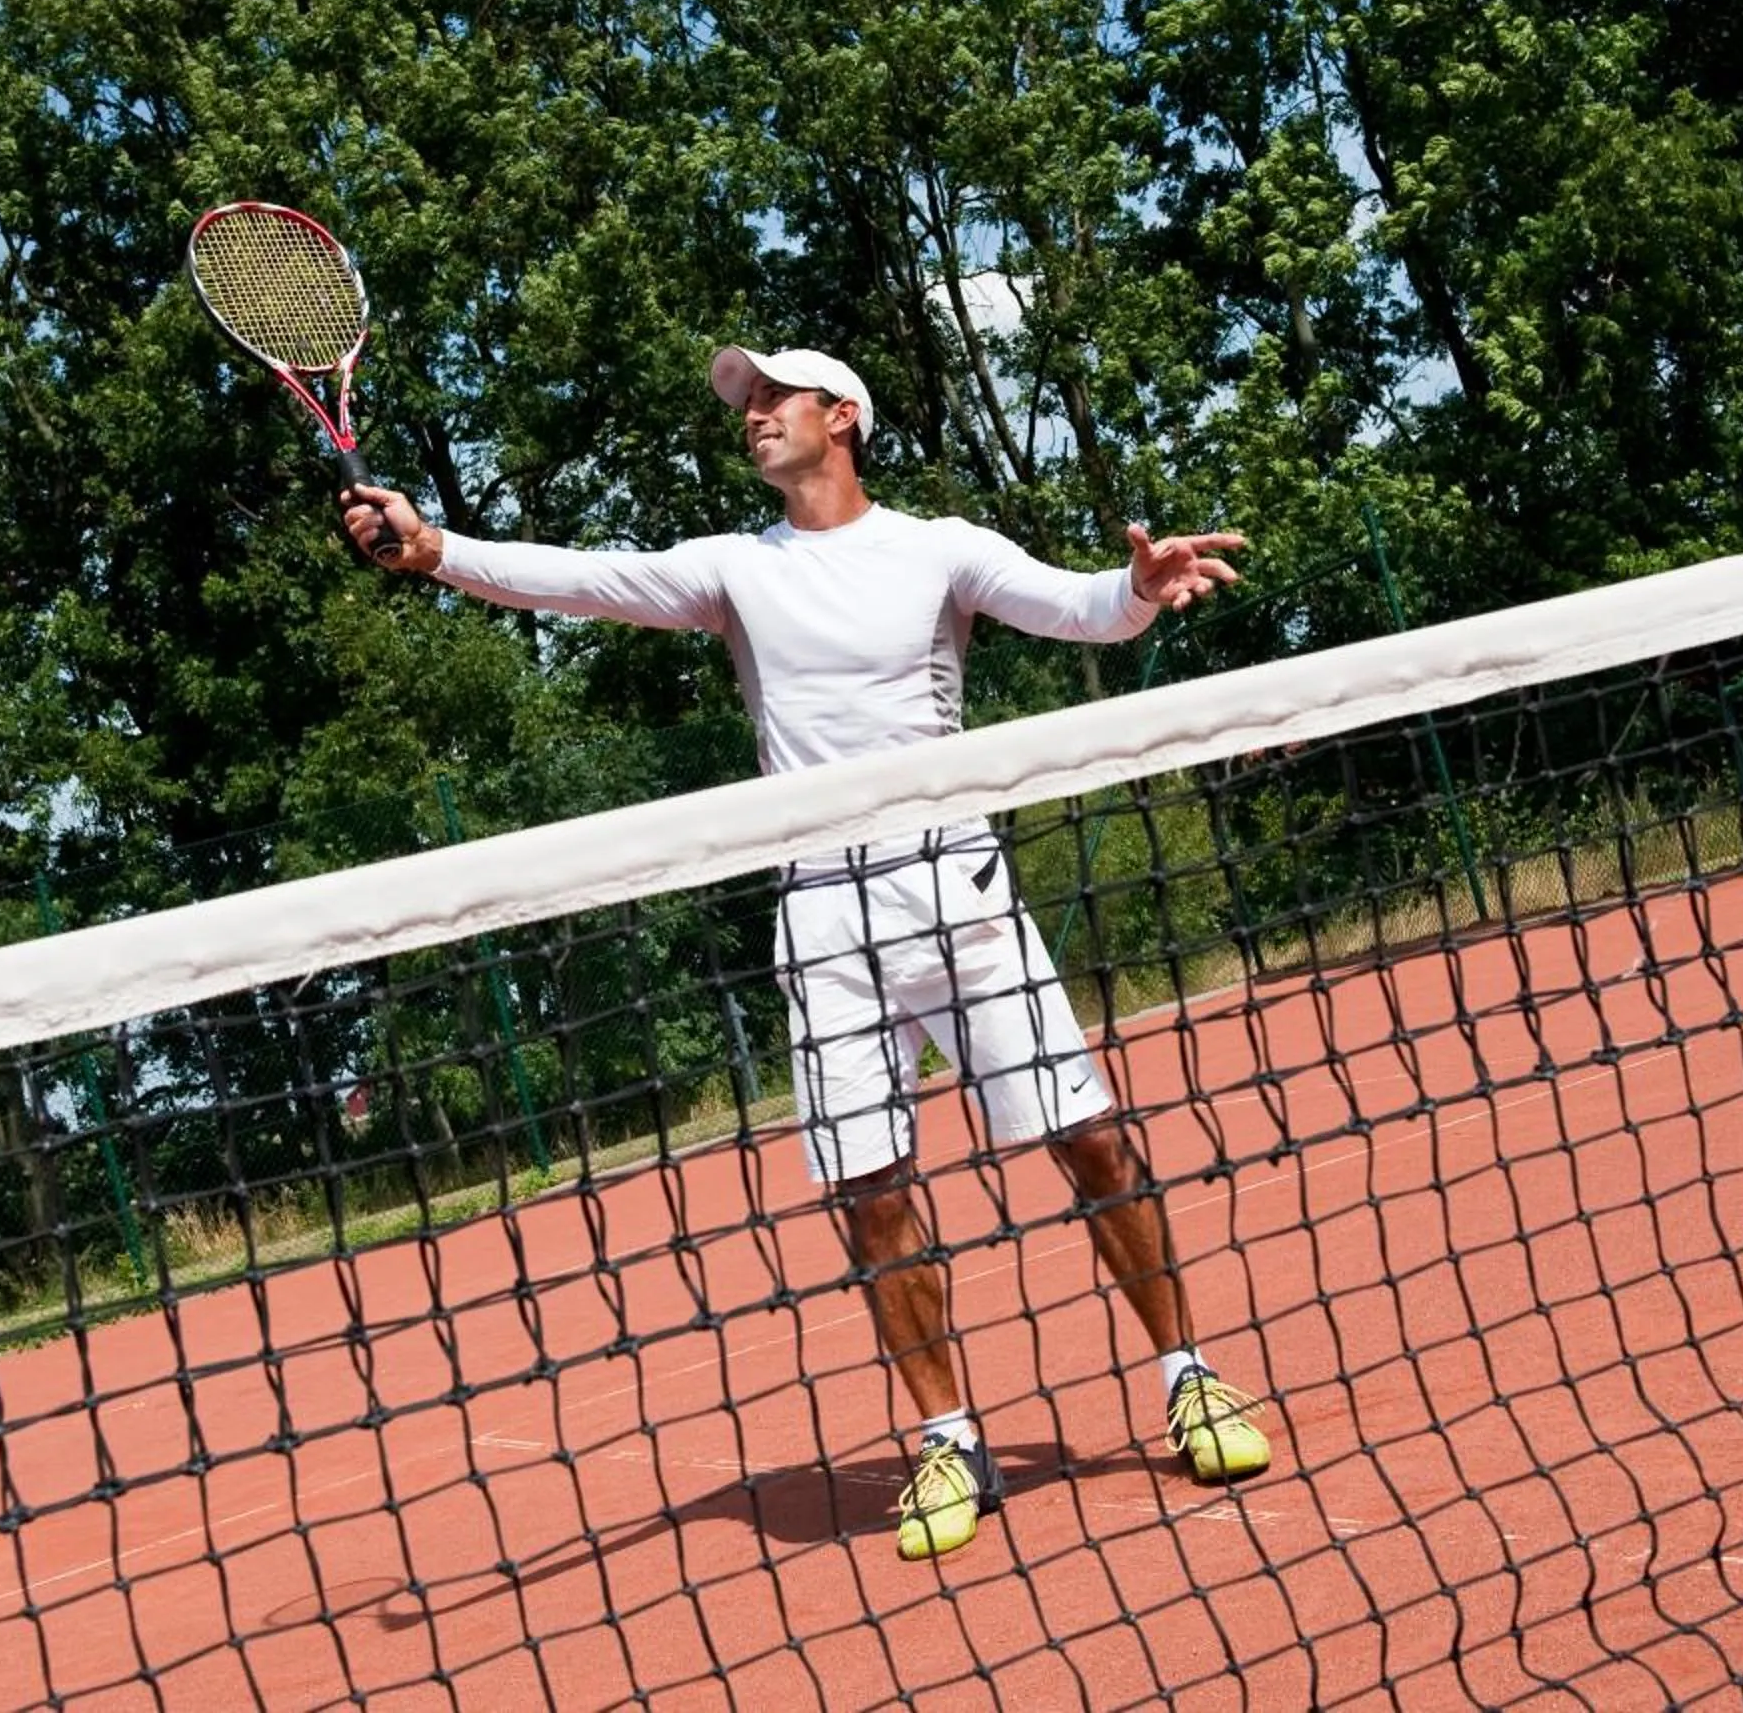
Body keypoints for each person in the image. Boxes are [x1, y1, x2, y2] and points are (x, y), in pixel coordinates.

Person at [339, 345, 1266, 1561]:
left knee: (1090, 1140)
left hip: (959, 887)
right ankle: (950, 1441)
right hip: (824, 918)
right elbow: (581, 580)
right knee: (871, 1194)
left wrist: (1141, 585)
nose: (754, 416)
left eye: (775, 397)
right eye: (747, 404)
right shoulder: (735, 570)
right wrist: (436, 549)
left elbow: (1079, 604)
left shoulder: (938, 546)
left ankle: (1189, 1374)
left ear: (845, 418)